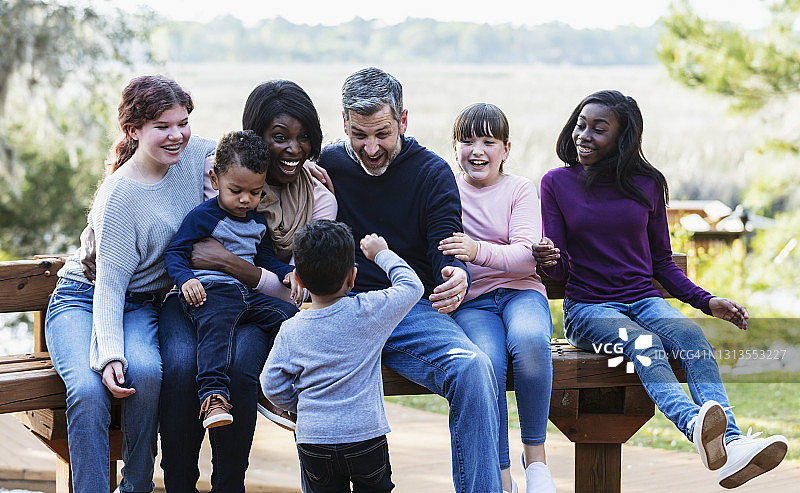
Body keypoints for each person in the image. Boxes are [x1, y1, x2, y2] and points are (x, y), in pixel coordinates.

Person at [533, 90, 788, 489]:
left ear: (623, 138)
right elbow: (562, 265)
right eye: (581, 125)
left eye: (599, 129)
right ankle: (696, 427)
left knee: (692, 337)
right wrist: (549, 259)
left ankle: (732, 446)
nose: (584, 135)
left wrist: (708, 301)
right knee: (644, 344)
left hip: (643, 299)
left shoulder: (647, 184)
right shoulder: (557, 183)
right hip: (588, 310)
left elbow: (662, 263)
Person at [314, 66, 502, 492]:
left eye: (382, 133)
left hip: (407, 308)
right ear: (344, 124)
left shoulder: (431, 172)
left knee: (472, 368)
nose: (371, 147)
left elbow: (445, 243)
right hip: (340, 310)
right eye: (359, 135)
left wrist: (456, 275)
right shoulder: (324, 165)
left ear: (403, 120)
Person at [156, 79, 336, 491]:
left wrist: (236, 265)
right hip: (198, 296)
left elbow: (284, 277)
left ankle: (230, 483)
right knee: (183, 366)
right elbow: (162, 140)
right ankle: (179, 482)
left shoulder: (315, 199)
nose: (293, 150)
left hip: (251, 302)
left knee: (241, 369)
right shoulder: (214, 171)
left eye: (304, 138)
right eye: (279, 138)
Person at [44, 75, 217, 492]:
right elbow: (108, 286)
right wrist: (108, 353)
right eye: (162, 126)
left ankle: (135, 485)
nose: (177, 135)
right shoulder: (120, 196)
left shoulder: (195, 153)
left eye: (183, 122)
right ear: (133, 130)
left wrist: (308, 167)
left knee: (145, 373)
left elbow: (250, 152)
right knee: (89, 390)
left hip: (140, 304)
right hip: (84, 300)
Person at [438, 103, 555, 493]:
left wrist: (477, 250)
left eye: (489, 141)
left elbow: (525, 255)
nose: (478, 150)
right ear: (454, 148)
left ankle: (535, 460)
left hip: (522, 293)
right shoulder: (445, 188)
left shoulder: (519, 189)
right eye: (467, 141)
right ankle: (502, 473)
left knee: (531, 341)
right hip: (472, 303)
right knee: (486, 361)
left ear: (506, 149)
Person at [261, 220, 424, 493]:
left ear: (298, 279)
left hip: (314, 439)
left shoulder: (292, 328)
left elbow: (270, 384)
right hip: (365, 438)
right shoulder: (369, 311)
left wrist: (301, 405)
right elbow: (412, 287)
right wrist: (381, 253)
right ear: (352, 277)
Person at [164, 130, 299, 429]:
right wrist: (186, 279)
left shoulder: (258, 222)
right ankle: (213, 396)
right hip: (208, 292)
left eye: (255, 192)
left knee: (289, 316)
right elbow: (175, 252)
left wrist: (286, 272)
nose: (245, 200)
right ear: (215, 181)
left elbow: (263, 259)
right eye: (236, 190)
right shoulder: (203, 216)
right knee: (219, 326)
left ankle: (276, 387)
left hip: (244, 295)